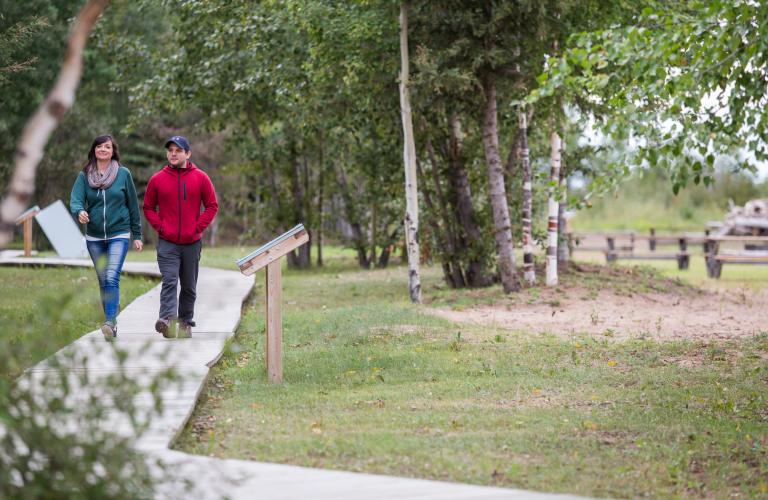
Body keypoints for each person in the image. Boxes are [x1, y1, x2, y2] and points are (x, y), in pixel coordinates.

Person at [143, 135, 218, 339]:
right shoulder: (157, 179)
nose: (173, 154)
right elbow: (148, 207)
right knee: (169, 280)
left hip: (192, 243)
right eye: (170, 150)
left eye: (178, 150)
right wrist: (160, 227)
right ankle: (167, 319)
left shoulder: (201, 177)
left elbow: (212, 205)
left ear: (188, 154)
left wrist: (198, 227)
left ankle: (185, 322)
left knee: (188, 285)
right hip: (167, 242)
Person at [70, 134, 143, 341]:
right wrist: (79, 212)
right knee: (103, 280)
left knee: (111, 276)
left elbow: (133, 206)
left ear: (113, 151)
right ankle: (111, 320)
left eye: (107, 147)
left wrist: (136, 235)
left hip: (119, 233)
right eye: (100, 146)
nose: (103, 149)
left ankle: (110, 321)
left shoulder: (123, 174)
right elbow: (76, 200)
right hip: (94, 237)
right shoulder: (84, 175)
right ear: (94, 150)